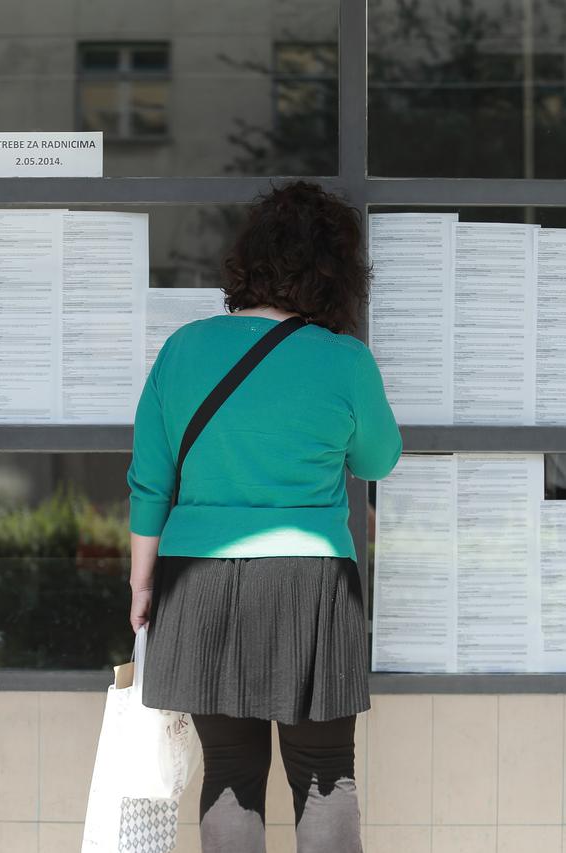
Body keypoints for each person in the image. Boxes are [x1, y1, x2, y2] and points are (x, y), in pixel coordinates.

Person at [127, 181, 401, 853]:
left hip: (196, 582)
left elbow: (148, 482)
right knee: (324, 775)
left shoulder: (184, 349)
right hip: (310, 583)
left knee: (228, 773)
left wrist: (142, 587)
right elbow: (378, 458)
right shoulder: (344, 359)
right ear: (337, 273)